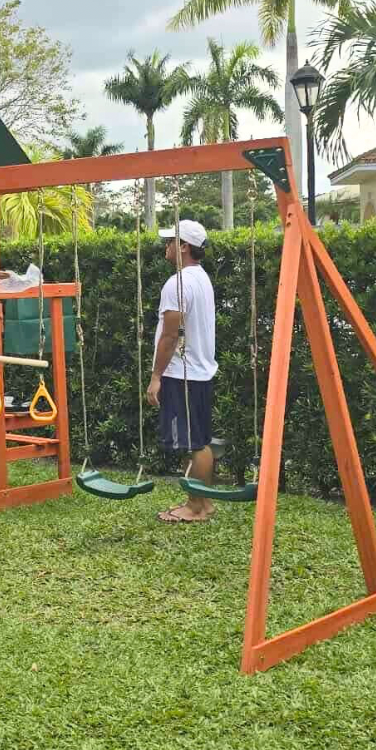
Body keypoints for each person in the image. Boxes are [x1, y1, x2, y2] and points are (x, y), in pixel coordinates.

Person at [145, 218, 218, 523]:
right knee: (199, 440)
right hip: (199, 371)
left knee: (194, 443)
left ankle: (195, 507)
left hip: (182, 373)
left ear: (184, 246)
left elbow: (170, 335)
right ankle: (203, 502)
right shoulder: (201, 278)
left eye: (171, 241)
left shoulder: (177, 283)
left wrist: (156, 377)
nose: (166, 246)